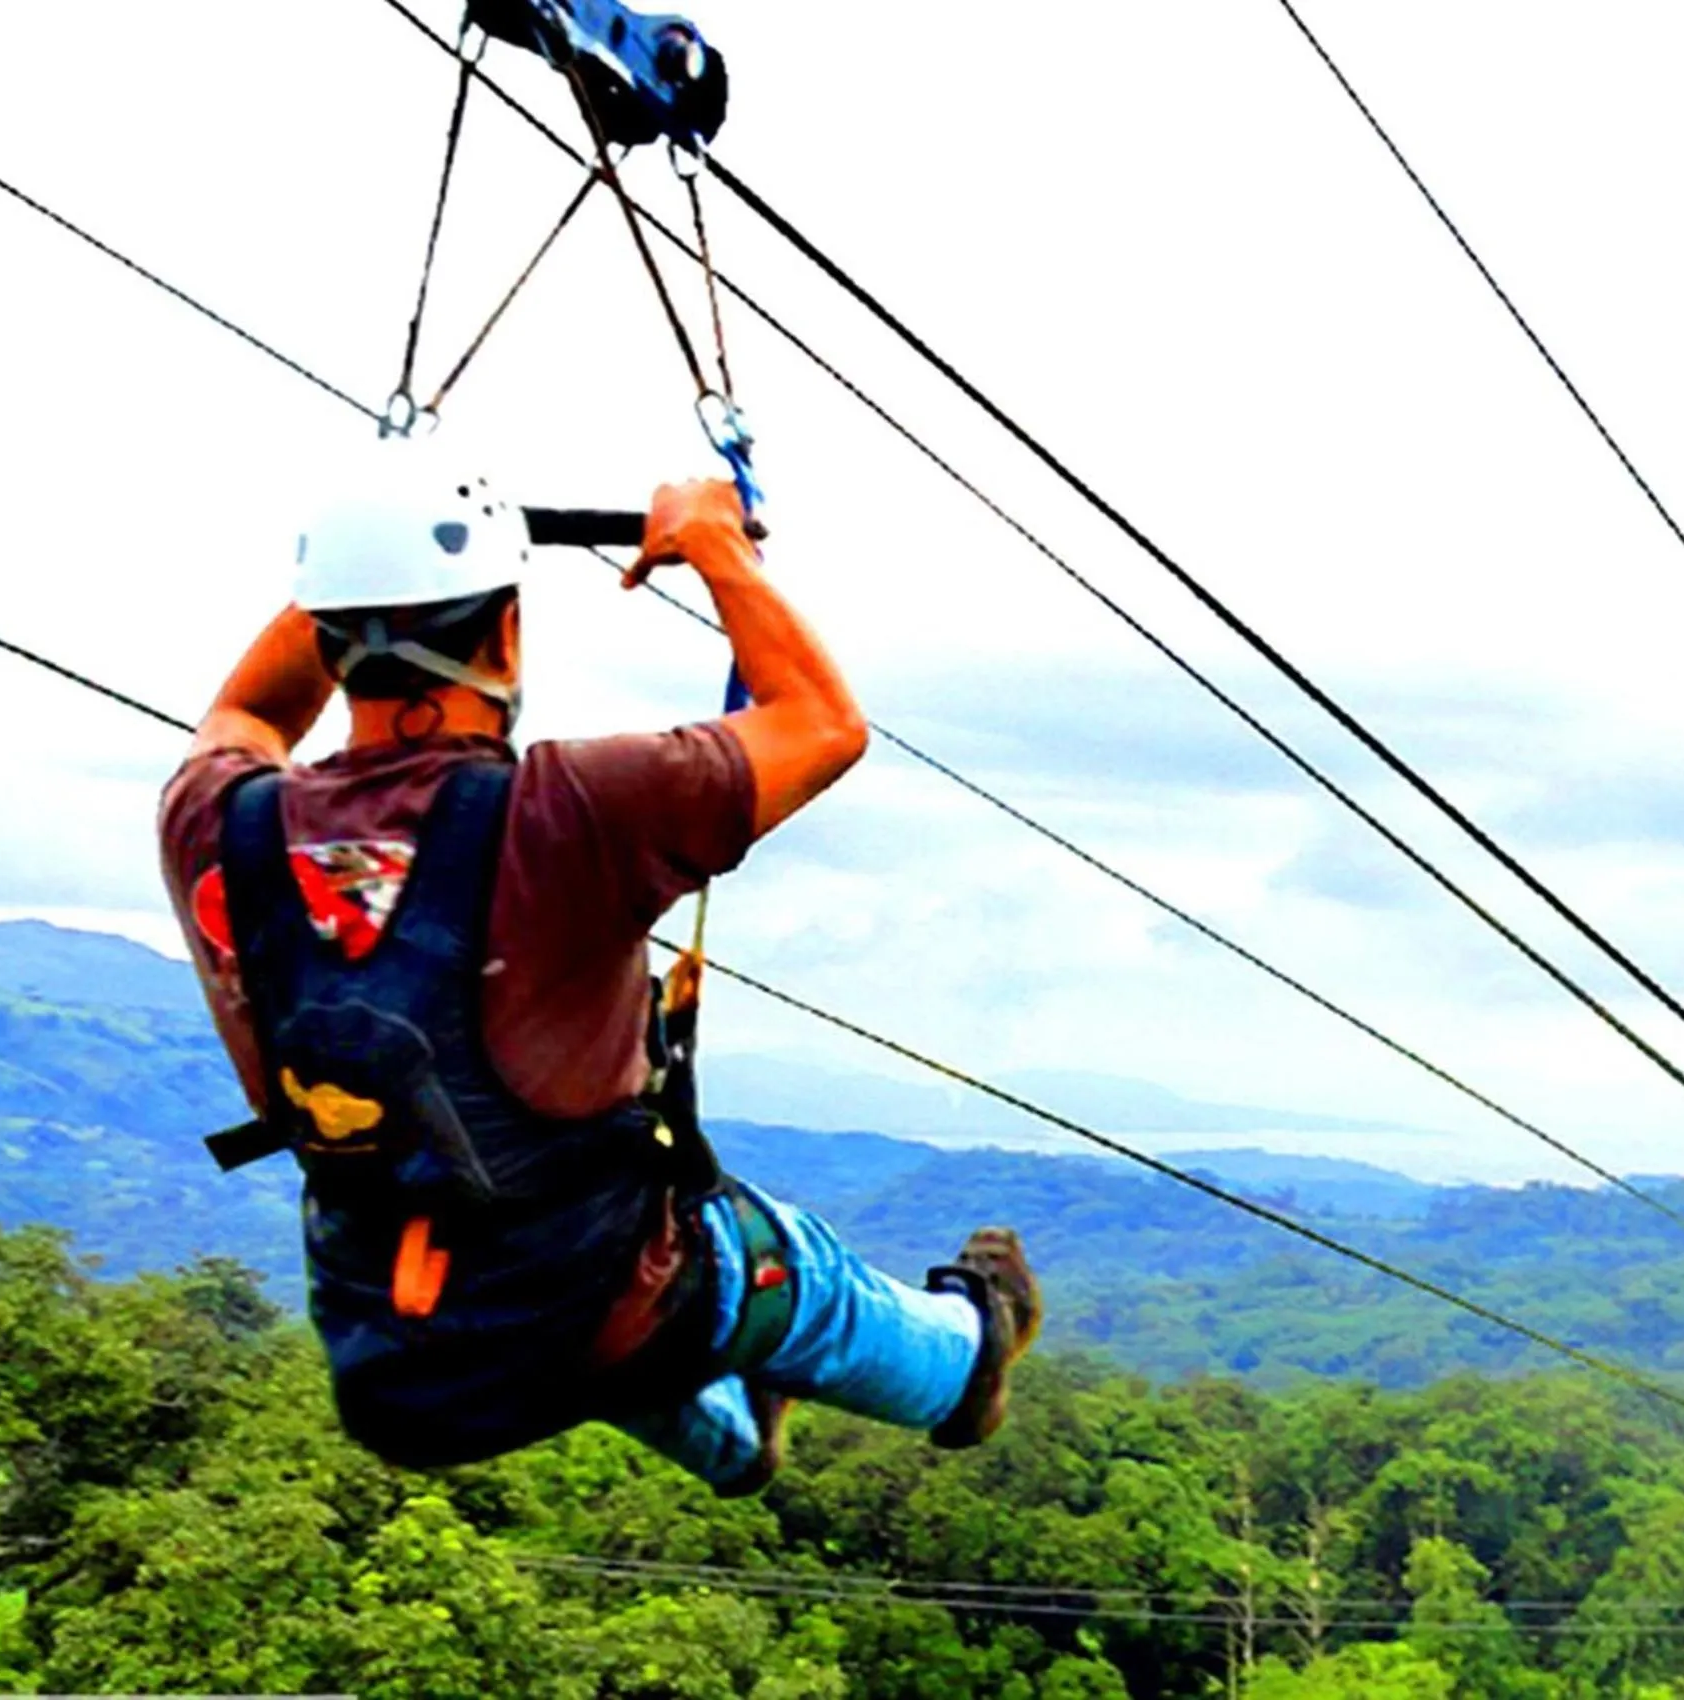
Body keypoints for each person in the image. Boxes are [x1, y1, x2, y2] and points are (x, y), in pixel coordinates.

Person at [156, 444, 1039, 1492]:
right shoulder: (568, 812)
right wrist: (715, 544)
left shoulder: (218, 822)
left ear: (325, 631)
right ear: (506, 631)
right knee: (776, 1266)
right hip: (596, 1306)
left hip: (392, 1359)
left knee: (585, 1284)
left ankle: (735, 1437)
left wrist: (360, 562)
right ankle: (964, 1360)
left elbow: (250, 716)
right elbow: (823, 725)